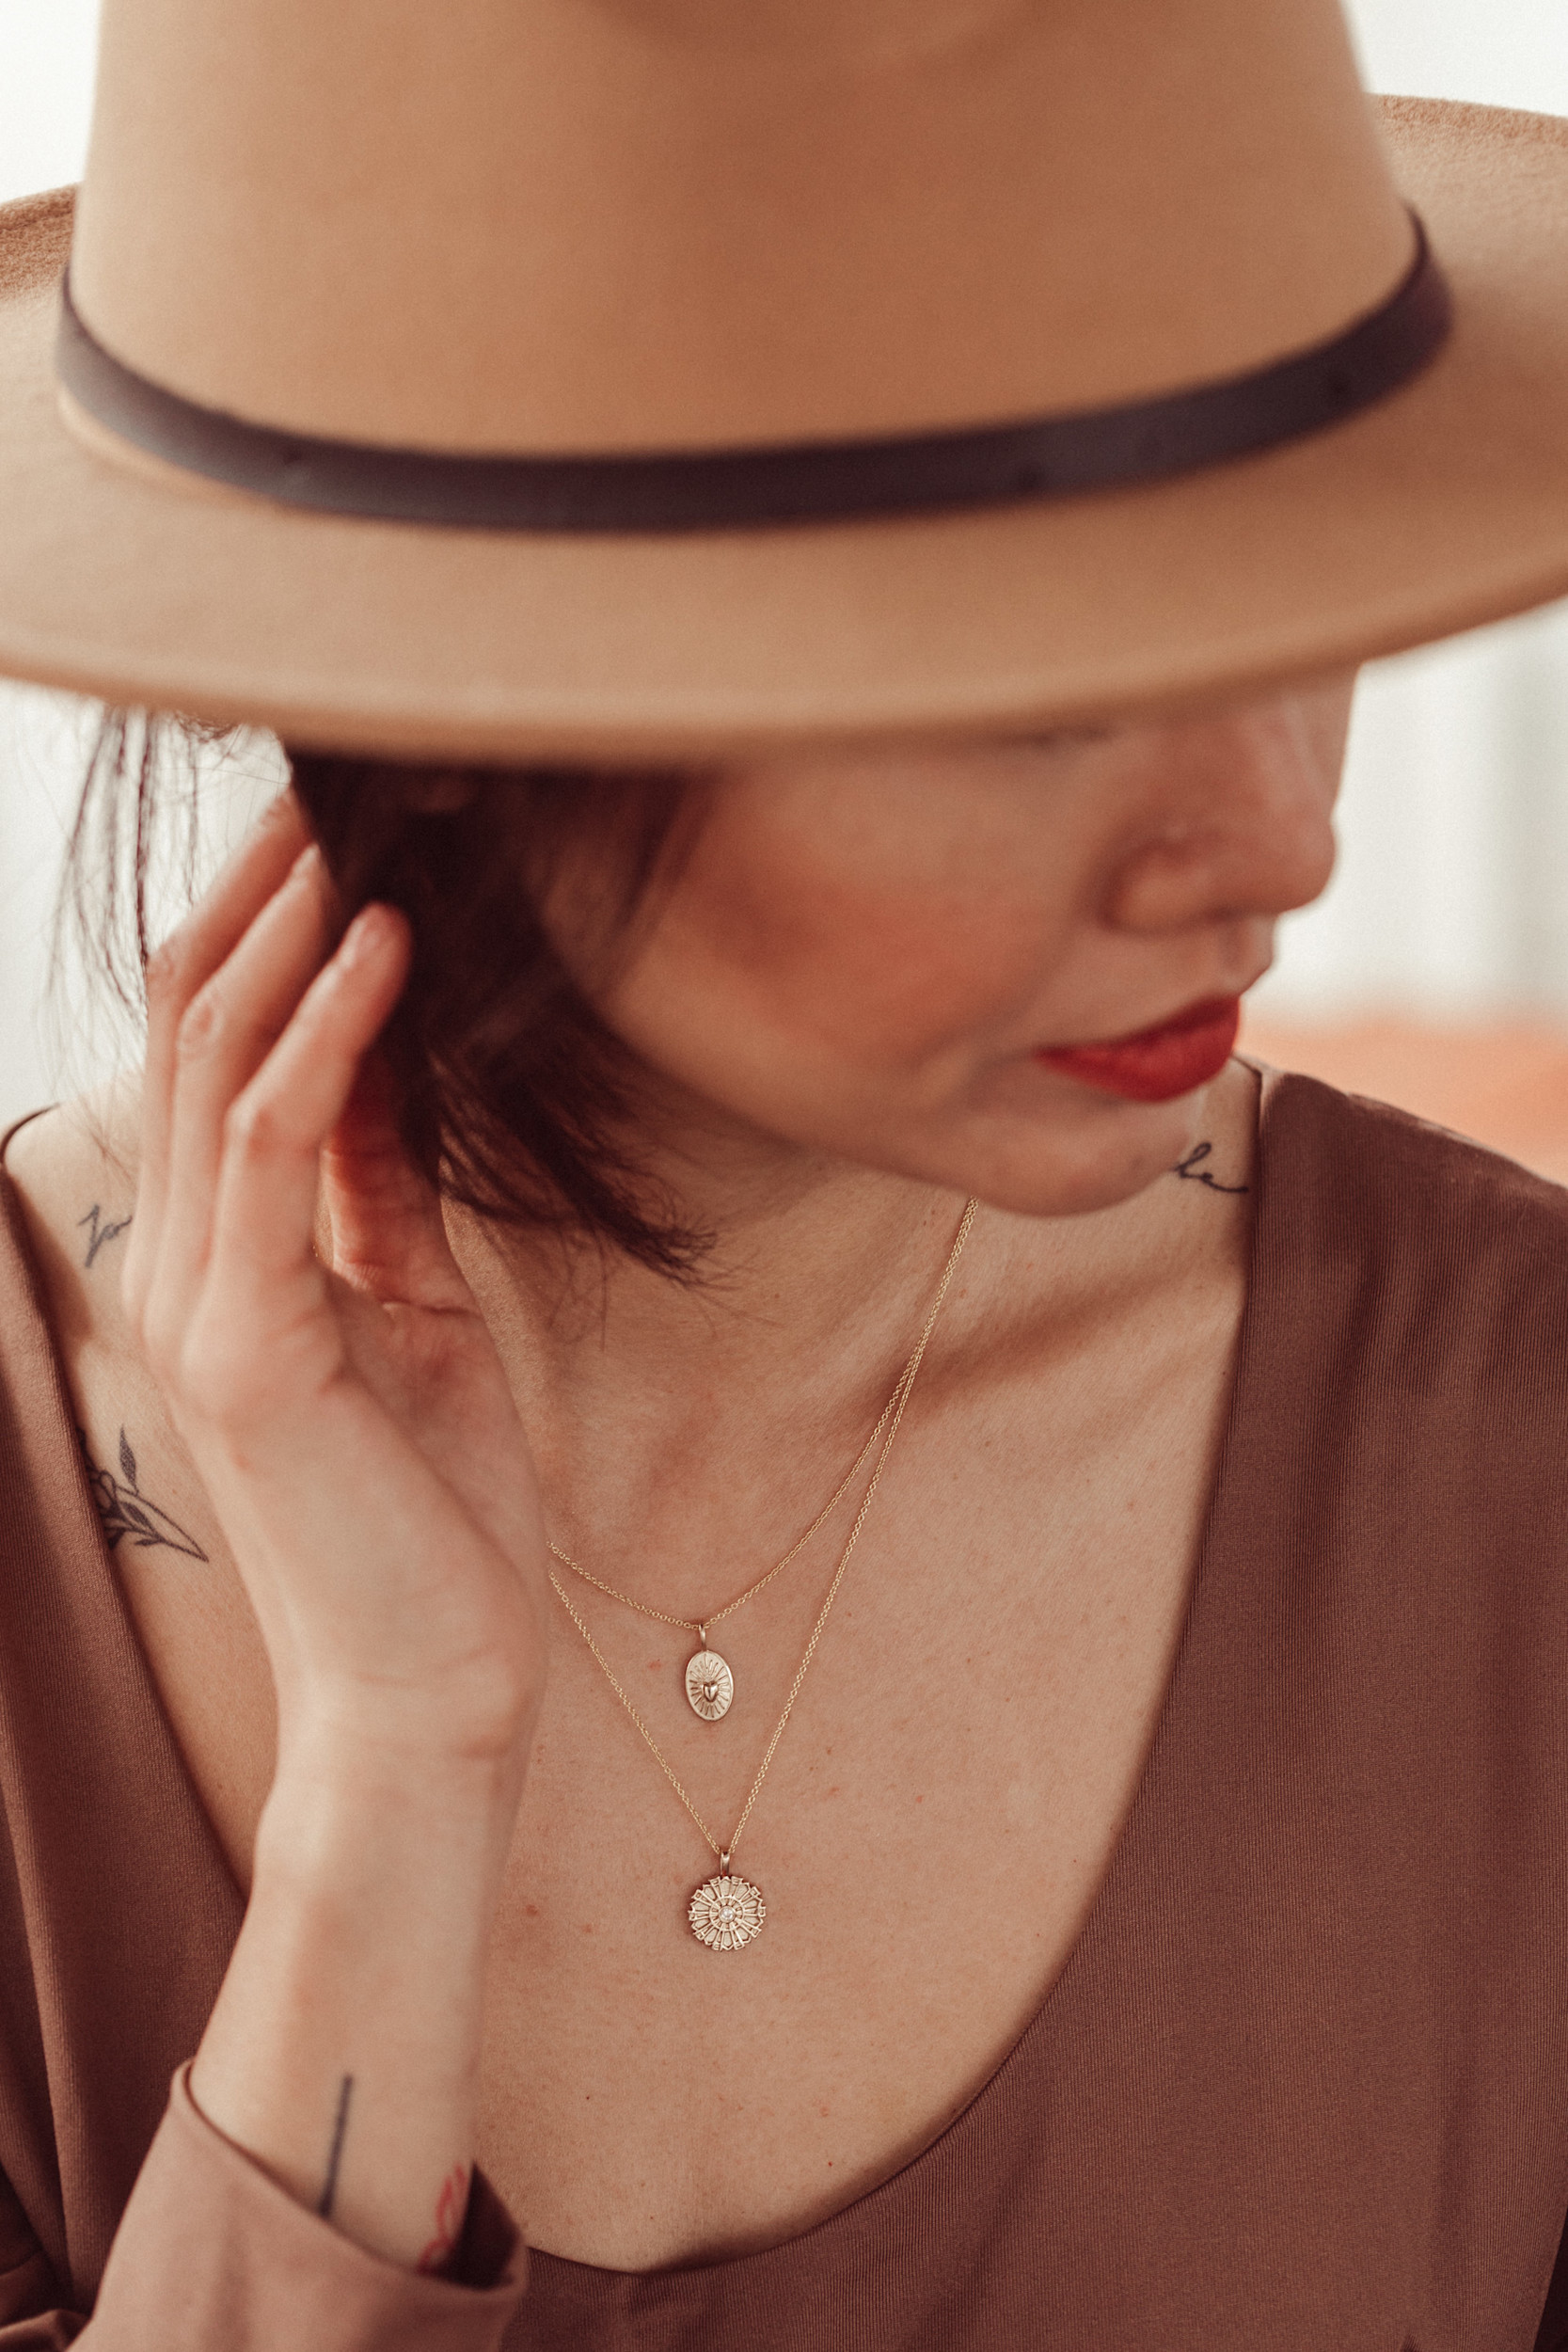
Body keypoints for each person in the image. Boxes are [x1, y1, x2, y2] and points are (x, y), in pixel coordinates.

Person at [3, 0, 1568, 2344]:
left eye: (1285, 605)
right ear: (459, 690)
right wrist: (388, 1804)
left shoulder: (1514, 1455)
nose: (1284, 838)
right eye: (1031, 677)